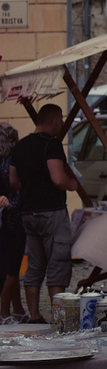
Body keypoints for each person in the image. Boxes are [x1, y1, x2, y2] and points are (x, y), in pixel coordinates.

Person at [8, 104, 79, 323]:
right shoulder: (52, 145)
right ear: (51, 120)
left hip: (28, 213)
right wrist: (72, 184)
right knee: (58, 264)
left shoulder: (19, 147)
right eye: (60, 120)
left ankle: (35, 314)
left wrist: (31, 188)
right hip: (52, 212)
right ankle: (60, 318)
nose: (61, 124)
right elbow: (58, 178)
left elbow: (13, 181)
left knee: (35, 266)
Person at [0, 124, 22, 319]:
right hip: (15, 216)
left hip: (6, 217)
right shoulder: (12, 161)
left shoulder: (2, 161)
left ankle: (18, 308)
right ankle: (5, 311)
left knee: (11, 265)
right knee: (12, 268)